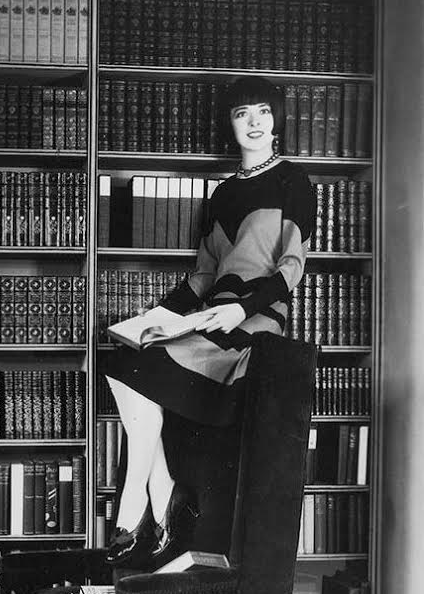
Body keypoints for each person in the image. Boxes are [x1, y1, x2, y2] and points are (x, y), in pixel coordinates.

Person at [101, 76, 317, 568]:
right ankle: (162, 490)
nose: (255, 121)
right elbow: (202, 275)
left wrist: (243, 308)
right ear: (231, 124)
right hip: (207, 318)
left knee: (145, 373)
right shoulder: (220, 195)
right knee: (125, 359)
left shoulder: (294, 181)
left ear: (277, 120)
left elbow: (292, 268)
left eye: (264, 111)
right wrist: (153, 316)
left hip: (255, 323)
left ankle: (137, 507)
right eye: (244, 113)